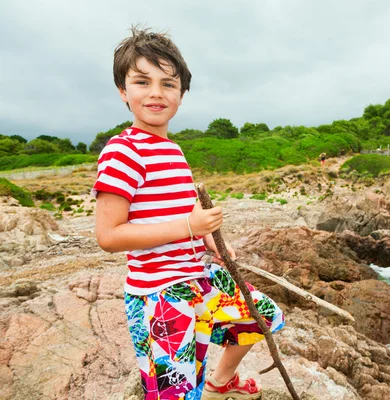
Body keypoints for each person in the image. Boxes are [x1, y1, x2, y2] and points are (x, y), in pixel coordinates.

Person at [93, 27, 284, 400]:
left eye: (168, 84)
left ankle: (221, 382)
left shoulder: (174, 151)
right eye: (142, 81)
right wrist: (188, 225)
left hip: (200, 280)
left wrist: (209, 240)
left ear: (181, 94)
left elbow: (182, 210)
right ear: (122, 91)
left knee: (261, 315)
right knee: (177, 393)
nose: (155, 93)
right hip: (160, 297)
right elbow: (109, 236)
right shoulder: (122, 151)